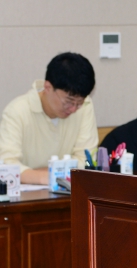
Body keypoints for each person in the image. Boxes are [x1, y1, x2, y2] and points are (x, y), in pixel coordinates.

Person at [0, 52, 98, 185]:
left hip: (69, 193)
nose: (74, 109)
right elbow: (6, 165)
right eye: (68, 101)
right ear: (48, 87)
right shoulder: (17, 111)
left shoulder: (86, 106)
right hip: (27, 196)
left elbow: (87, 161)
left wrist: (35, 173)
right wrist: (46, 176)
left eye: (79, 102)